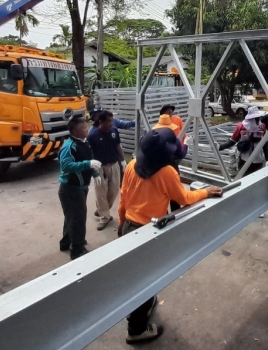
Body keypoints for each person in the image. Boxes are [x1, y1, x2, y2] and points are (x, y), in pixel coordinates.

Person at [117, 128, 222, 344]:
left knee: (135, 276)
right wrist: (206, 192)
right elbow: (184, 198)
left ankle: (142, 307)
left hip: (129, 226)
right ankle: (136, 330)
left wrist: (121, 224)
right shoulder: (167, 173)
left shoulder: (131, 165)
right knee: (145, 281)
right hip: (148, 233)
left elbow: (123, 199)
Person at [58, 117, 102, 260]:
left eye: (86, 126)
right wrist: (87, 164)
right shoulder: (69, 147)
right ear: (75, 131)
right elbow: (66, 166)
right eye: (83, 128)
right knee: (77, 218)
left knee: (71, 216)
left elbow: (89, 161)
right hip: (70, 188)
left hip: (81, 187)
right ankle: (77, 249)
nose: (87, 129)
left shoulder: (84, 143)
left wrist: (95, 173)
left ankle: (66, 242)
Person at [87, 110, 126, 230]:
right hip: (100, 167)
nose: (111, 123)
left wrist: (123, 161)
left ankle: (102, 209)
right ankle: (104, 217)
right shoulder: (92, 135)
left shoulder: (114, 131)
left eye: (112, 121)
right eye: (108, 121)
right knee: (101, 193)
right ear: (101, 121)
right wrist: (93, 170)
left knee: (114, 190)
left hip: (114, 164)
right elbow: (89, 154)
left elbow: (118, 146)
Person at [217, 106, 268, 175]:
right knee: (244, 178)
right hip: (244, 159)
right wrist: (220, 147)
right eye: (256, 119)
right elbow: (232, 141)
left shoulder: (262, 127)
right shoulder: (241, 127)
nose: (258, 121)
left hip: (258, 159)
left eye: (258, 118)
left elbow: (265, 144)